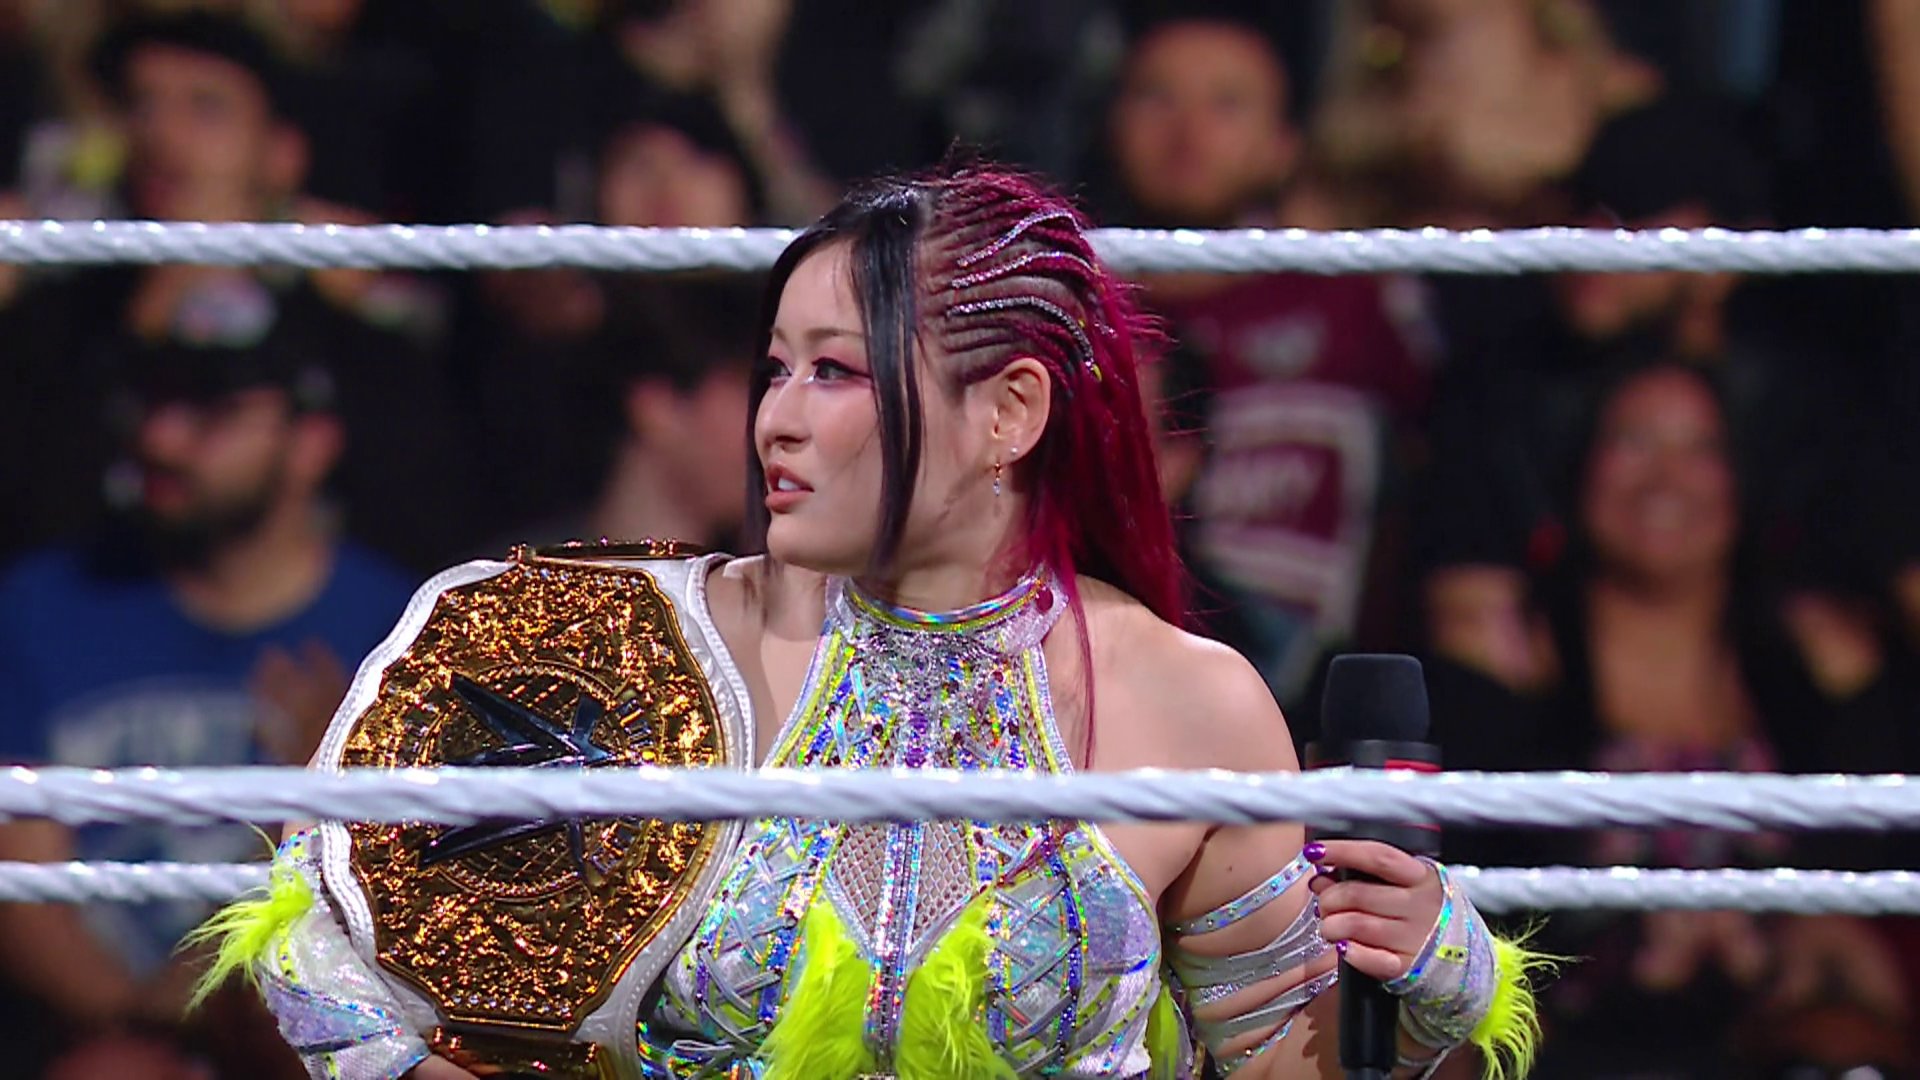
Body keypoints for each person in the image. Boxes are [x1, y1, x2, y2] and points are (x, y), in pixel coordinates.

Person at [206, 165, 1541, 1080]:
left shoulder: (1187, 700)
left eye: (835, 372)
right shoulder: (610, 642)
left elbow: (1288, 1067)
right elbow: (315, 936)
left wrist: (1434, 982)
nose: (777, 419)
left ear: (1010, 412)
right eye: (774, 368)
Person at [1424, 360, 1911, 1078]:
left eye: (1700, 448)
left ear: (1741, 483)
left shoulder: (1816, 656)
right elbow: (1449, 895)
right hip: (1557, 1037)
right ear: (1580, 471)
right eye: (1633, 440)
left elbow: (1871, 895)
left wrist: (1817, 932)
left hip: (1772, 1036)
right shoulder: (1505, 650)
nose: (1665, 478)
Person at [0, 333, 417, 1077]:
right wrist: (142, 1033)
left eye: (211, 412)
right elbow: (19, 888)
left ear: (311, 443)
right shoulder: (41, 607)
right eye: (152, 402)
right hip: (89, 1039)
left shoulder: (396, 631)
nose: (159, 439)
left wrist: (318, 787)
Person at [1105, 13, 1441, 706]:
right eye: (1157, 95)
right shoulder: (1062, 301)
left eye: (1226, 103)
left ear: (1284, 145)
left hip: (1310, 688)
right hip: (1102, 667)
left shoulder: (1350, 290)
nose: (1187, 131)